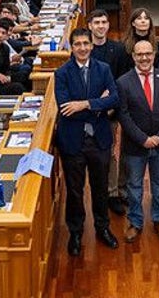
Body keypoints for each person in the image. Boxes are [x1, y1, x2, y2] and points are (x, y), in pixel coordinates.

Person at [54, 27, 120, 256]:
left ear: (92, 46)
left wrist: (84, 104)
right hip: (73, 140)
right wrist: (99, 104)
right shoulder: (62, 73)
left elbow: (114, 98)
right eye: (77, 44)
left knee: (100, 188)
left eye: (86, 44)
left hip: (99, 139)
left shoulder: (104, 69)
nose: (82, 48)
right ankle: (75, 232)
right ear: (71, 48)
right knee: (75, 191)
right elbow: (65, 107)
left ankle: (102, 227)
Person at [117, 40, 159, 243]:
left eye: (148, 54)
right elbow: (123, 115)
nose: (144, 58)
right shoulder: (123, 82)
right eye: (139, 54)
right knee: (134, 186)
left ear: (154, 55)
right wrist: (143, 139)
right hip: (135, 145)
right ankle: (135, 222)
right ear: (133, 56)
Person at [87, 9, 132, 216]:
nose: (101, 26)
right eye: (97, 22)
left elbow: (122, 80)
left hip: (111, 110)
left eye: (104, 22)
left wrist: (110, 103)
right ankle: (98, 194)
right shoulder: (84, 48)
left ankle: (112, 193)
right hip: (87, 111)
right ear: (90, 26)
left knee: (111, 152)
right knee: (91, 155)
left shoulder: (119, 49)